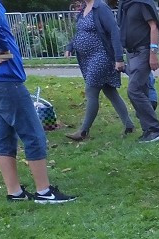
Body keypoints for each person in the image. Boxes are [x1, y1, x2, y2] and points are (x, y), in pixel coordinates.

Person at [0, 0, 76, 202]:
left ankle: (15, 192)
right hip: (7, 82)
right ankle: (44, 192)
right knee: (34, 134)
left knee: (4, 135)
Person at [64, 0, 136, 142]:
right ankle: (129, 125)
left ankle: (83, 131)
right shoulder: (85, 8)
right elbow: (80, 32)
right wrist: (70, 46)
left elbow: (114, 31)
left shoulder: (100, 7)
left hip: (102, 56)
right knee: (110, 91)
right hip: (88, 59)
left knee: (91, 90)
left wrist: (118, 58)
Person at [118, 0, 159, 142]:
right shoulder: (126, 5)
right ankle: (148, 131)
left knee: (134, 90)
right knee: (142, 90)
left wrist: (153, 53)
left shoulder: (142, 3)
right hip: (132, 53)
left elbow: (154, 27)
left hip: (143, 51)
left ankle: (155, 129)